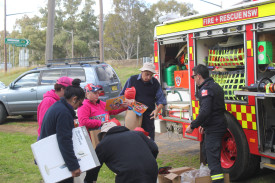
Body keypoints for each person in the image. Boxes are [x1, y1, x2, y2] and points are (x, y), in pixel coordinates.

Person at [40, 79, 87, 183]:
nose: (79, 107)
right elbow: (64, 141)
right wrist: (73, 166)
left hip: (51, 154)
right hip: (55, 158)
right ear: (74, 99)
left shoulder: (58, 106)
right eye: (80, 104)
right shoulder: (64, 113)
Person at [185, 64, 227, 183]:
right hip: (217, 124)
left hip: (215, 128)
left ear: (199, 76)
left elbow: (205, 111)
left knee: (213, 160)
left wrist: (193, 125)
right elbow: (215, 108)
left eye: (193, 77)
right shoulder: (215, 86)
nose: (193, 79)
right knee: (209, 155)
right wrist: (204, 125)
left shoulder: (206, 89)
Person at [87, 121, 159, 183]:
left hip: (128, 174)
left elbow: (94, 166)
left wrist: (89, 181)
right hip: (151, 169)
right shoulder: (138, 134)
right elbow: (155, 149)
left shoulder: (103, 144)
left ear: (103, 134)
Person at [120, 62, 167, 140]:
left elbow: (161, 100)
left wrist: (157, 110)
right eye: (147, 74)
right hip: (133, 114)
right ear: (142, 72)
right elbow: (121, 96)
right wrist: (127, 101)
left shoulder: (155, 82)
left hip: (148, 115)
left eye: (151, 75)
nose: (148, 77)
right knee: (132, 138)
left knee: (149, 139)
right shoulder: (132, 80)